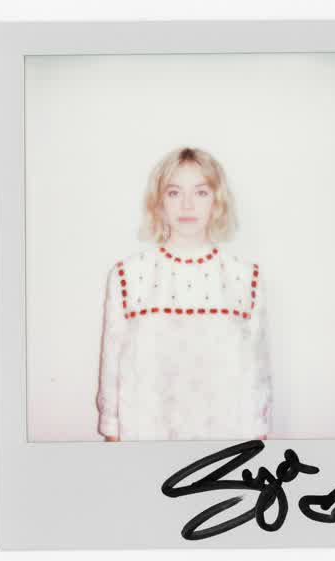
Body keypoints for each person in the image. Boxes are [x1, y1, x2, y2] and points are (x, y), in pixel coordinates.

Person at [96, 146, 273, 442]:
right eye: (174, 192)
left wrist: (257, 438)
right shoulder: (128, 276)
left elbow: (259, 376)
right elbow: (111, 367)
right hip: (146, 439)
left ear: (217, 201)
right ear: (159, 202)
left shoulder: (245, 278)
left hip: (226, 443)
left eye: (201, 192)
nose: (187, 205)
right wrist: (113, 436)